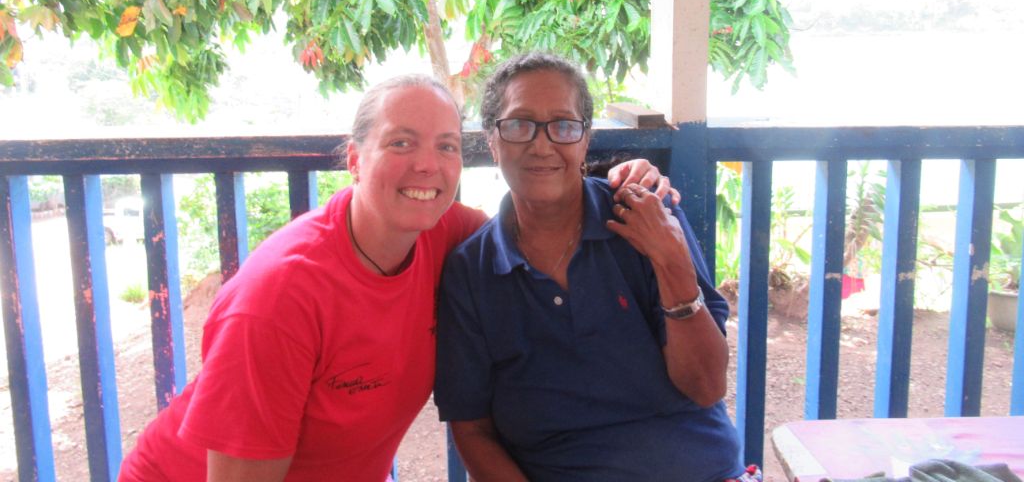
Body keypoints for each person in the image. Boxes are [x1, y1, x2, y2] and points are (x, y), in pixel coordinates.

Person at [118, 73, 673, 482]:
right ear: (355, 158)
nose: (426, 165)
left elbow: (541, 226)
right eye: (401, 142)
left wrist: (613, 178)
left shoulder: (444, 234)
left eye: (446, 146)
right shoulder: (281, 296)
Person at [434, 53, 745, 482]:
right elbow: (472, 429)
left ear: (584, 139)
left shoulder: (648, 216)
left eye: (563, 125)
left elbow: (707, 386)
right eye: (520, 124)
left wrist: (672, 261)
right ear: (493, 140)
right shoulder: (472, 271)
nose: (542, 145)